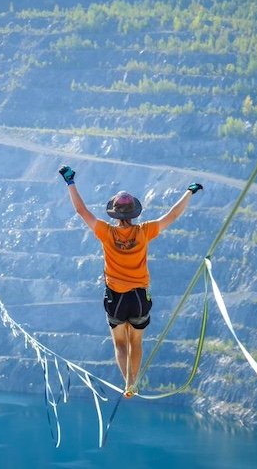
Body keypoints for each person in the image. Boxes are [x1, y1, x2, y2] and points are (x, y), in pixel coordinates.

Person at [58, 165, 202, 398]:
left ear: (114, 213)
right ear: (134, 212)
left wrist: (70, 182)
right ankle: (133, 382)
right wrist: (189, 191)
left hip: (115, 296)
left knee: (120, 344)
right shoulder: (145, 231)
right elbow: (173, 215)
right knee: (136, 342)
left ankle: (128, 381)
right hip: (139, 296)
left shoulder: (105, 232)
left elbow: (81, 211)